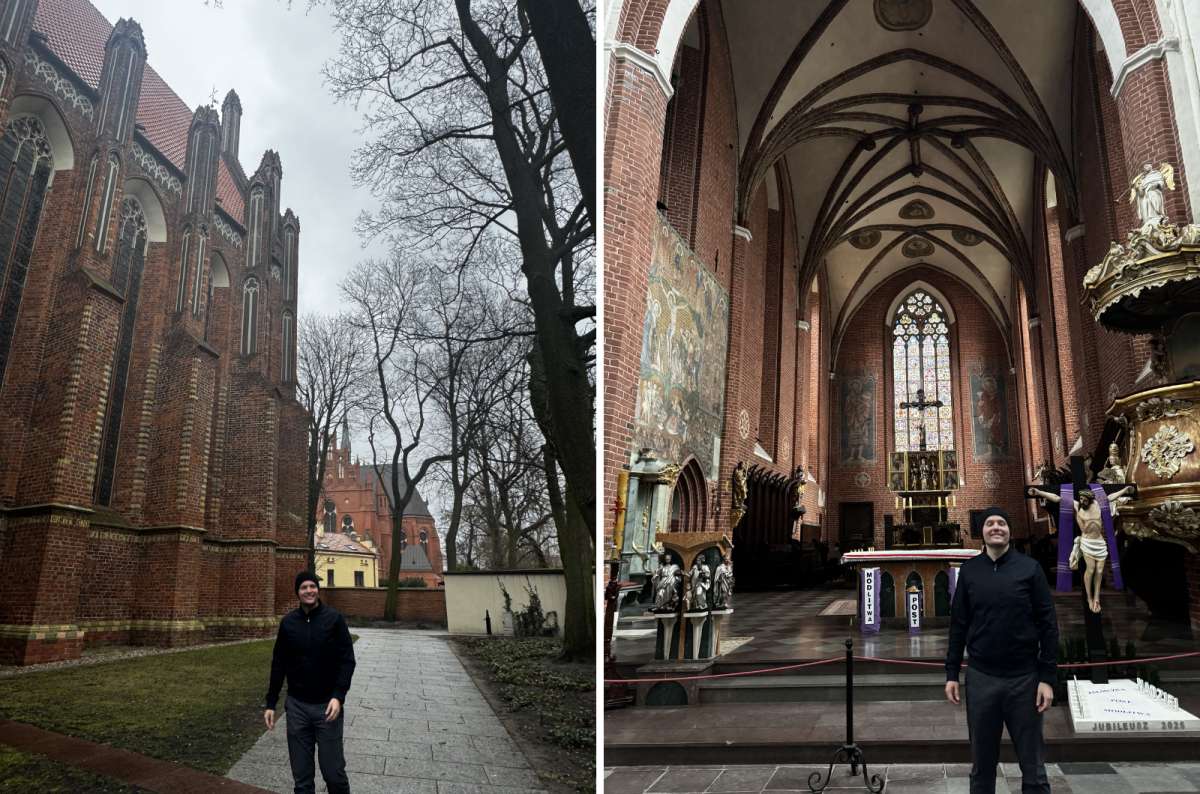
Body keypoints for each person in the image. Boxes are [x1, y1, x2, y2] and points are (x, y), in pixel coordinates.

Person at [945, 507, 1058, 794]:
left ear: (1010, 530)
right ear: (981, 532)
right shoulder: (970, 571)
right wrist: (951, 672)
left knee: (1033, 767)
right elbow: (958, 624)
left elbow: (1048, 625)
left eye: (1002, 523)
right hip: (982, 678)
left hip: (1025, 678)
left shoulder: (1030, 569)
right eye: (990, 523)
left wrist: (1047, 677)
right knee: (982, 765)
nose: (996, 527)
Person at [264, 571, 356, 794]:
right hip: (297, 708)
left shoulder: (334, 619)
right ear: (297, 592)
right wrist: (271, 702)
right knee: (302, 779)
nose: (309, 591)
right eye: (304, 587)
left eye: (312, 586)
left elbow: (347, 661)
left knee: (334, 774)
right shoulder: (288, 623)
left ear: (318, 590)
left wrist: (338, 696)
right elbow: (279, 664)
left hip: (327, 707)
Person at [1027, 485, 1133, 613]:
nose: (1082, 501)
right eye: (1081, 498)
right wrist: (1039, 492)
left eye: (1084, 499)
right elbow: (1056, 498)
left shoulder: (1098, 504)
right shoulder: (1077, 505)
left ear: (1090, 499)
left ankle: (1097, 597)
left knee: (1099, 571)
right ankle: (1089, 598)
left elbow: (1110, 497)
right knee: (1091, 568)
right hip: (1087, 542)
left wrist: (1125, 491)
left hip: (1099, 541)